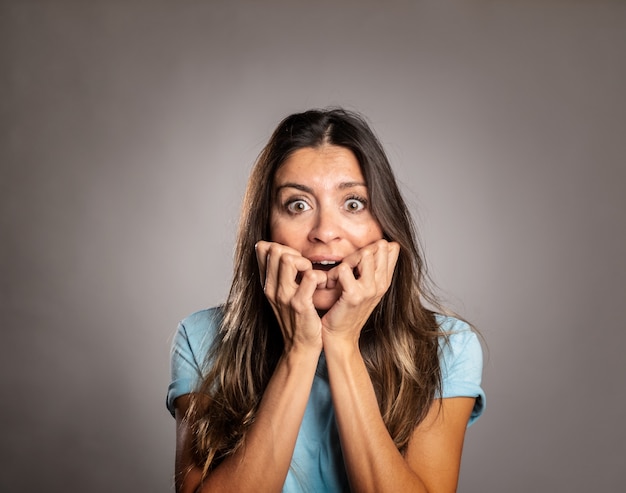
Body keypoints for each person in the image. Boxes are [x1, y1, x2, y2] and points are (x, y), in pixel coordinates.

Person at [167, 108, 485, 492]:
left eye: (353, 203)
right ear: (266, 227)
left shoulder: (446, 346)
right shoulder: (200, 338)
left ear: (384, 224)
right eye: (297, 205)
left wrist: (341, 343)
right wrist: (299, 351)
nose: (325, 232)